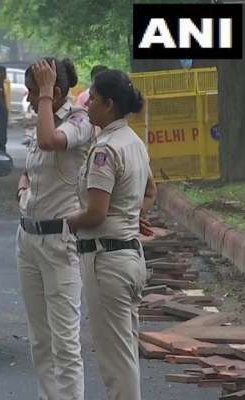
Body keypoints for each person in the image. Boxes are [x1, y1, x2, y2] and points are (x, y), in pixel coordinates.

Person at [66, 69, 156, 400]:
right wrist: (134, 215)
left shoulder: (105, 150)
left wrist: (71, 221)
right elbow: (150, 192)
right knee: (124, 354)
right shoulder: (134, 142)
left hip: (106, 260)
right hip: (129, 256)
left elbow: (96, 212)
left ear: (109, 105)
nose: (87, 104)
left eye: (93, 99)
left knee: (114, 362)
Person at [15, 58, 93, 400]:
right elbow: (32, 168)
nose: (30, 99)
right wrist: (22, 191)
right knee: (40, 340)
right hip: (29, 239)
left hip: (60, 242)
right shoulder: (41, 121)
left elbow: (49, 142)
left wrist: (46, 95)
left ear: (56, 92)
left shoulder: (81, 121)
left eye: (34, 92)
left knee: (64, 342)